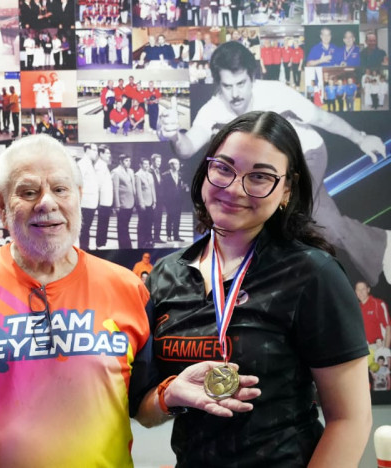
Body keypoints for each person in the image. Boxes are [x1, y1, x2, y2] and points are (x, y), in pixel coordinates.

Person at [0, 133, 260, 466]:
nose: (48, 203)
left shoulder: (127, 286)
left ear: (78, 196)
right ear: (3, 208)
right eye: (28, 192)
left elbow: (141, 408)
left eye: (60, 188)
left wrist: (170, 395)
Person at [142, 111, 372, 466]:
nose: (235, 188)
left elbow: (350, 419)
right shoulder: (166, 275)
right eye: (223, 168)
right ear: (205, 171)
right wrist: (169, 394)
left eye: (260, 176)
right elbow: (146, 412)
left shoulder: (313, 274)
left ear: (287, 190)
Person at [159, 40, 390, 287]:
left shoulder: (276, 92)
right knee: (328, 227)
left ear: (252, 78)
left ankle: (274, 285)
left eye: (241, 84)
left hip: (306, 157)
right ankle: (384, 245)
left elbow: (322, 118)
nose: (235, 94)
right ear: (218, 84)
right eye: (227, 86)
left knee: (277, 214)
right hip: (269, 174)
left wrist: (361, 138)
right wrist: (174, 135)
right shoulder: (213, 109)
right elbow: (187, 147)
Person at [77, 143, 99, 250]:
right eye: (94, 150)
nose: (96, 152)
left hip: (90, 202)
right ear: (87, 150)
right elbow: (78, 183)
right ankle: (84, 249)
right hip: (85, 202)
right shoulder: (82, 163)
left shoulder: (89, 163)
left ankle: (86, 249)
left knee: (86, 229)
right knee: (85, 229)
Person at [356, 280, 390, 347]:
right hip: (363, 348)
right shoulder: (356, 308)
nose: (360, 292)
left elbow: (388, 327)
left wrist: (386, 351)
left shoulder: (378, 304)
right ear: (355, 292)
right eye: (358, 290)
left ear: (368, 290)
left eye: (363, 289)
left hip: (378, 346)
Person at [113, 154, 136, 249]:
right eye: (126, 160)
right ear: (121, 161)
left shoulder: (131, 171)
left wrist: (135, 202)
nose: (129, 162)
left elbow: (133, 187)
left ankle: (127, 245)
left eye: (129, 160)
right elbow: (115, 189)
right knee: (122, 226)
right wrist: (117, 205)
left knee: (126, 225)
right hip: (122, 203)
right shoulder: (116, 172)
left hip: (130, 203)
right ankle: (123, 246)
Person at [162, 157, 186, 241]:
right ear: (170, 165)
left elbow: (181, 186)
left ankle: (176, 236)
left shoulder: (181, 174)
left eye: (178, 164)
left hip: (178, 200)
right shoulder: (165, 175)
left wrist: (184, 188)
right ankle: (168, 236)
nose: (177, 166)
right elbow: (163, 189)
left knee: (177, 218)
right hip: (169, 201)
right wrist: (165, 201)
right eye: (175, 164)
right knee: (170, 218)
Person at [134, 158, 156, 247]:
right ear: (140, 165)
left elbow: (152, 188)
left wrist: (154, 201)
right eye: (144, 164)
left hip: (150, 202)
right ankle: (141, 241)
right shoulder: (138, 175)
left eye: (148, 164)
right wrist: (141, 203)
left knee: (150, 222)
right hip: (143, 203)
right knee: (142, 222)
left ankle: (149, 240)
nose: (147, 165)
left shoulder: (150, 175)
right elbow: (138, 190)